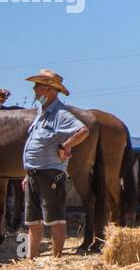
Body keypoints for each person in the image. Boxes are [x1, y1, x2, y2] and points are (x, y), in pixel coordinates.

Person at [21, 69, 89, 259]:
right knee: (33, 220)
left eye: (37, 86)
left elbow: (83, 131)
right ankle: (31, 259)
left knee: (55, 219)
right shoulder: (41, 113)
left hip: (50, 173)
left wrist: (66, 145)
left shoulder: (60, 114)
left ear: (48, 89)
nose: (34, 89)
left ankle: (56, 258)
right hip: (34, 173)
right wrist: (27, 174)